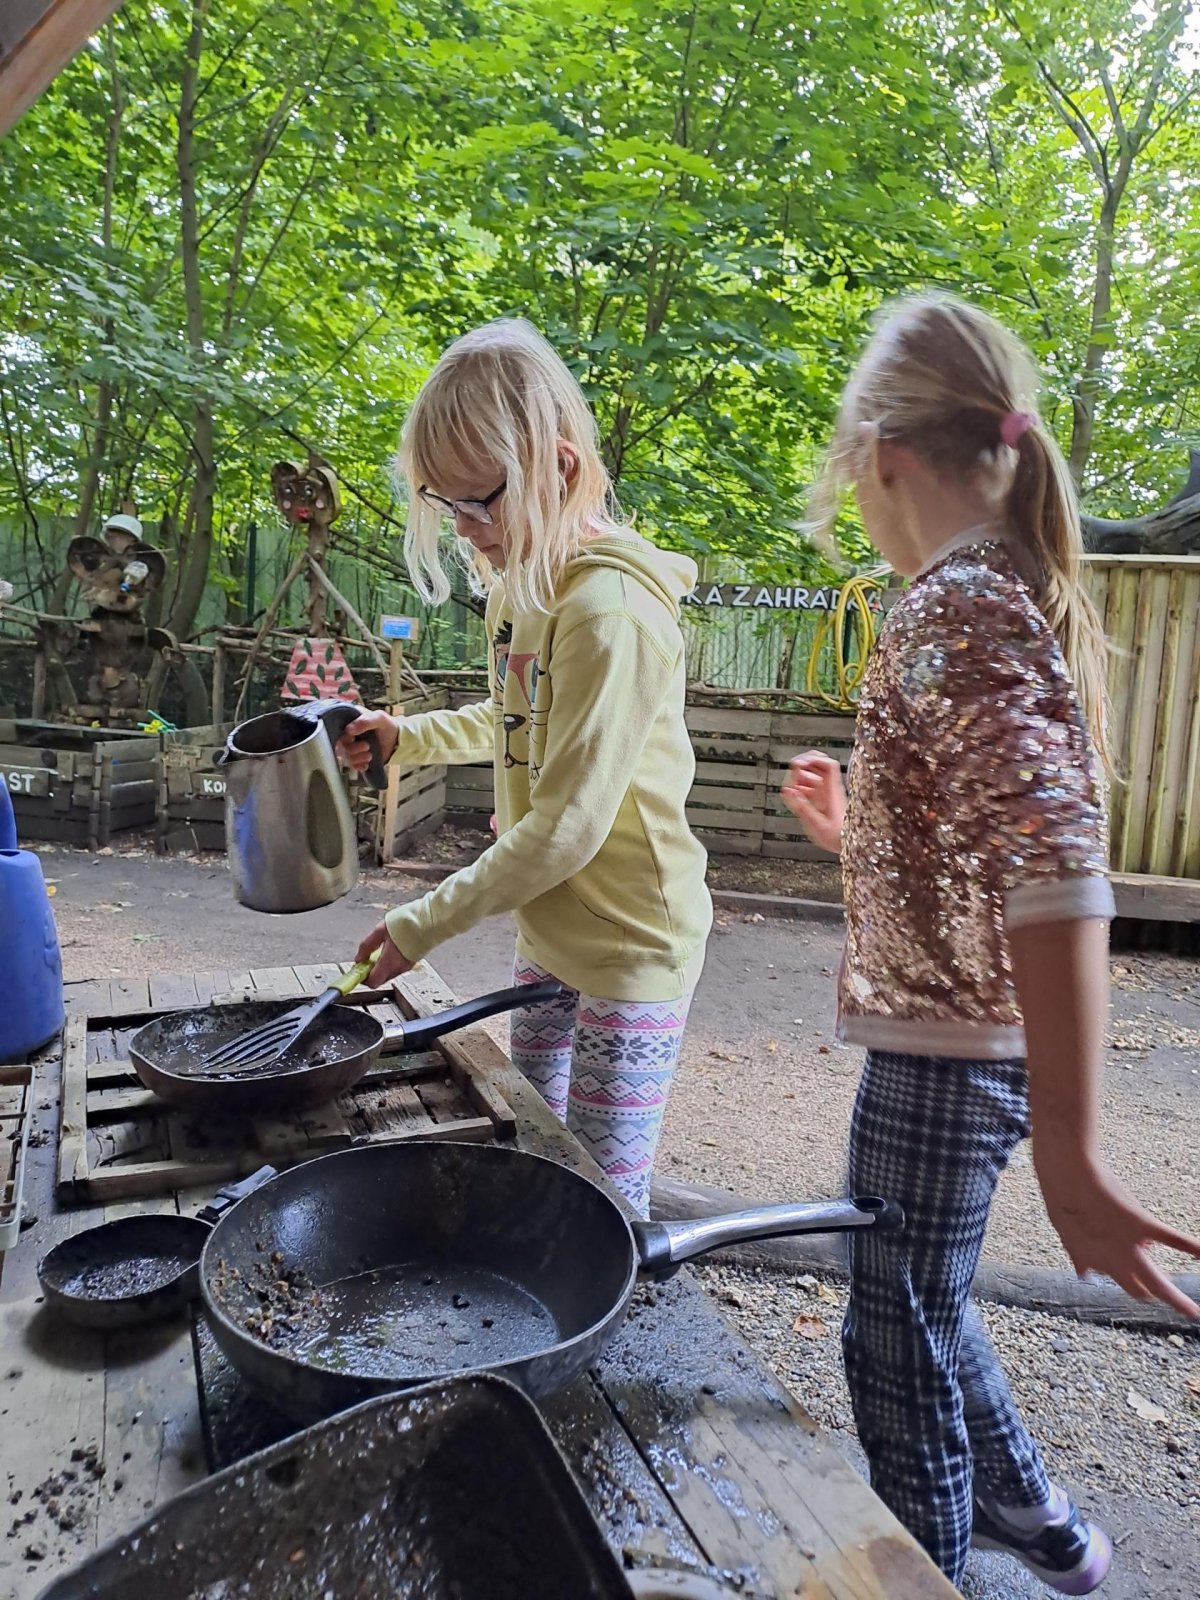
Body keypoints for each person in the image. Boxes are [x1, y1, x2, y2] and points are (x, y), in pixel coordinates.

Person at [781, 292, 1200, 1595]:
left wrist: (1074, 1154)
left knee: (893, 1335)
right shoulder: (987, 597)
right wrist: (855, 834)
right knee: (925, 1294)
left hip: (945, 1057)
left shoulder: (954, 608)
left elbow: (1058, 870)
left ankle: (934, 1567)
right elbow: (983, 848)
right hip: (957, 1040)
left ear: (880, 457)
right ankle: (1044, 1525)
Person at [338, 318, 711, 1215]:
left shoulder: (609, 613)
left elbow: (566, 829)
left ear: (562, 469)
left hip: (631, 948)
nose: (467, 532)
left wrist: (423, 923)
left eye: (480, 503)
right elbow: (513, 719)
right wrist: (405, 736)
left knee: (600, 1203)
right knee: (537, 1147)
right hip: (549, 934)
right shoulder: (523, 585)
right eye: (449, 507)